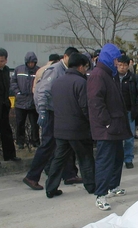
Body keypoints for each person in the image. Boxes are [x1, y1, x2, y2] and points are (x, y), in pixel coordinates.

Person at [23, 47, 80, 190]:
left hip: (61, 113)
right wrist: (42, 111)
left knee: (64, 144)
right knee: (48, 145)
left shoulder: (67, 70)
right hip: (50, 112)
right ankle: (32, 176)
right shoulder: (55, 70)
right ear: (65, 56)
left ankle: (69, 174)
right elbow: (42, 91)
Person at [88, 43, 131, 211]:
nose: (116, 63)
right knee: (105, 161)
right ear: (107, 58)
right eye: (114, 60)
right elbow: (95, 103)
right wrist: (106, 122)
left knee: (117, 158)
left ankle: (113, 186)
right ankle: (100, 194)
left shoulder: (110, 75)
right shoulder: (98, 75)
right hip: (106, 128)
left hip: (115, 126)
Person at [45, 53, 95, 198]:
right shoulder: (80, 83)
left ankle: (51, 188)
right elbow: (85, 108)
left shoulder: (58, 82)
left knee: (58, 159)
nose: (85, 70)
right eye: (85, 67)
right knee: (85, 158)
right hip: (78, 129)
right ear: (80, 66)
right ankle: (91, 186)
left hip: (60, 128)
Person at [117, 55, 138, 169]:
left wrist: (137, 106)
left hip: (129, 111)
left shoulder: (134, 78)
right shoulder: (112, 78)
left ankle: (128, 158)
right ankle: (118, 158)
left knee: (129, 138)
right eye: (120, 65)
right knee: (117, 138)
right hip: (116, 113)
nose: (122, 67)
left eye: (124, 65)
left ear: (128, 65)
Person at [10, 52, 40, 149]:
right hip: (20, 102)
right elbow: (13, 82)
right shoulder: (19, 69)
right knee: (20, 124)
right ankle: (20, 142)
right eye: (29, 62)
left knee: (35, 124)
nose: (31, 64)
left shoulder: (38, 71)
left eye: (33, 62)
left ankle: (35, 141)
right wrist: (17, 93)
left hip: (33, 102)